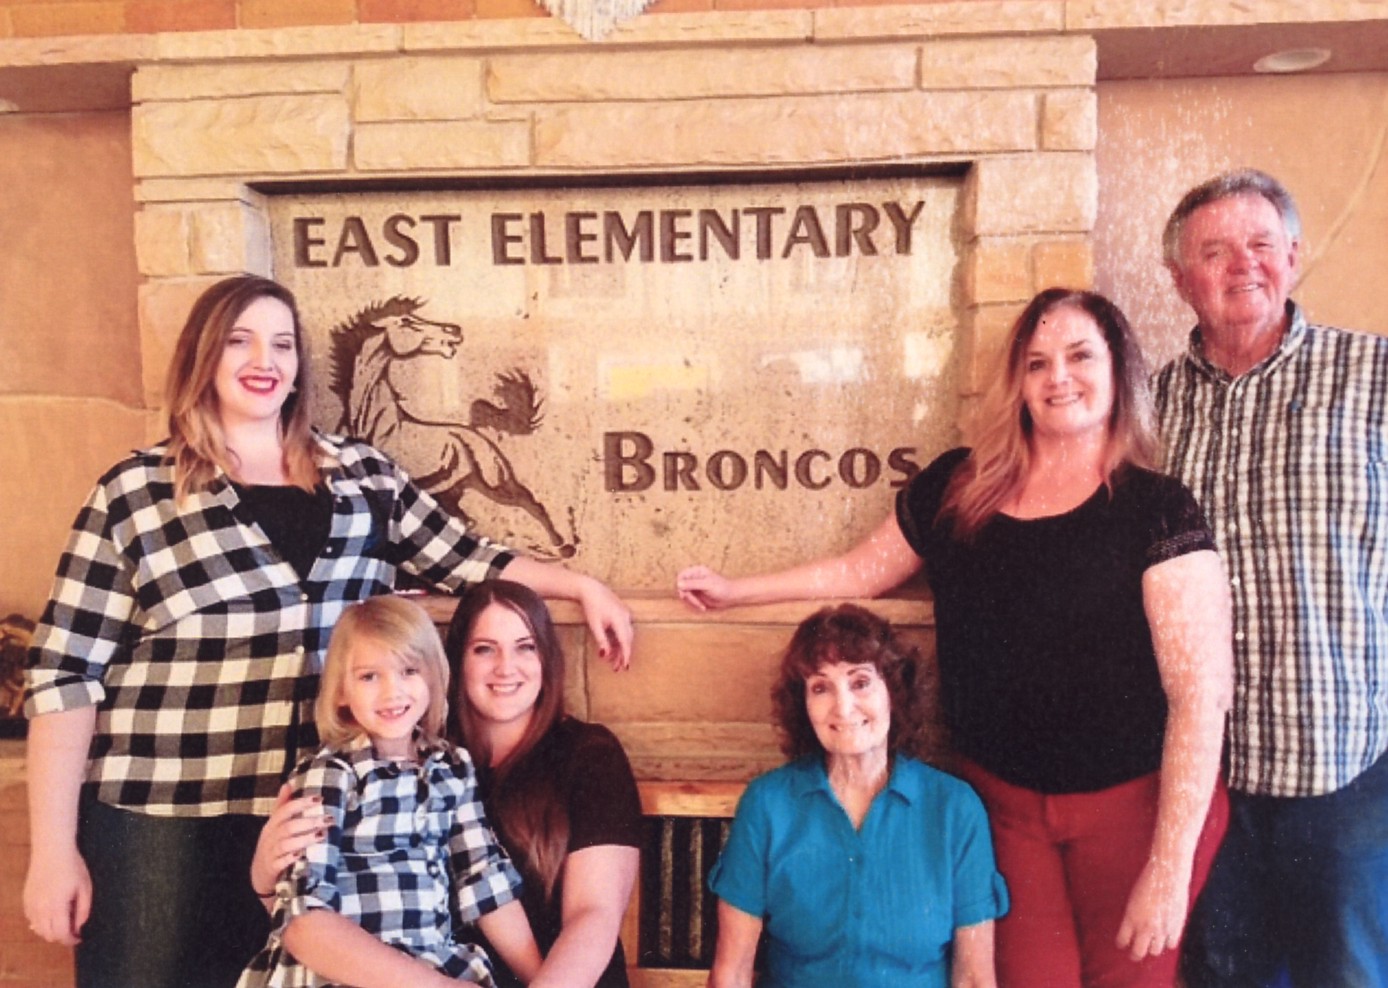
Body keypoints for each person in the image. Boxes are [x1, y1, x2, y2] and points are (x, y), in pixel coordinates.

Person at [23, 274, 634, 988]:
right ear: (202, 356)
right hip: (164, 820)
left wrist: (579, 585)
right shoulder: (137, 493)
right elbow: (64, 675)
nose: (265, 359)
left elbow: (464, 556)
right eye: (240, 340)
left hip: (321, 819)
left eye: (282, 343)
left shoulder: (361, 477)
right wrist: (53, 849)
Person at [679, 288, 1233, 987]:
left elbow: (1199, 696)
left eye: (1080, 355)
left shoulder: (1157, 509)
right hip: (1005, 806)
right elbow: (859, 572)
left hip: (1134, 807)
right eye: (1038, 363)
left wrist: (1169, 865)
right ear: (1019, 383)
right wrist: (739, 590)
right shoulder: (959, 486)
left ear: (1120, 369)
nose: (1058, 377)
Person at [1155, 169, 1388, 988]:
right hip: (1205, 776)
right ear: (1180, 280)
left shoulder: (1375, 376)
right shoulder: (1148, 411)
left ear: (1293, 256)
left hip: (1349, 771)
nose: (1241, 265)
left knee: (1351, 974)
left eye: (1260, 245)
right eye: (1213, 252)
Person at [254, 579, 641, 988]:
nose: (506, 667)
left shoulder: (564, 756)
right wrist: (262, 873)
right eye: (484, 649)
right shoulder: (358, 765)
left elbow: (578, 911)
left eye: (525, 646)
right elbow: (303, 912)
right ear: (455, 662)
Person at [239, 595, 540, 988]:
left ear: (433, 677)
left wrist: (542, 979)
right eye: (369, 676)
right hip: (345, 971)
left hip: (431, 962)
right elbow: (303, 919)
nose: (391, 692)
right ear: (342, 692)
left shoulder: (452, 768)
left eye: (409, 671)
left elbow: (485, 883)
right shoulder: (330, 774)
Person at [706, 603, 1007, 988]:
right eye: (821, 687)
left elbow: (974, 979)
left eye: (860, 682)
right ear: (804, 704)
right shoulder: (768, 805)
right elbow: (731, 972)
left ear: (893, 691)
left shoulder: (954, 809)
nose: (843, 707)